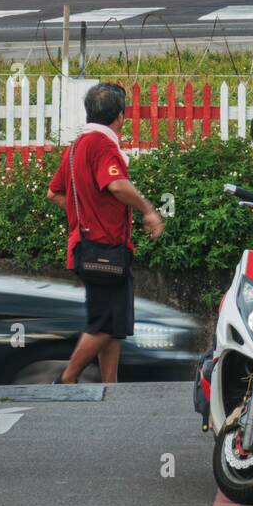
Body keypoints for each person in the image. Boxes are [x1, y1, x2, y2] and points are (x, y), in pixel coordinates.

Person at [47, 83, 164, 384]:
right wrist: (148, 210)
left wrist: (82, 213)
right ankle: (68, 378)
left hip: (87, 246)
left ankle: (110, 386)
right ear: (121, 117)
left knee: (113, 323)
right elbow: (117, 185)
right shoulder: (102, 145)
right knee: (104, 322)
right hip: (105, 248)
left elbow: (54, 193)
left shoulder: (76, 147)